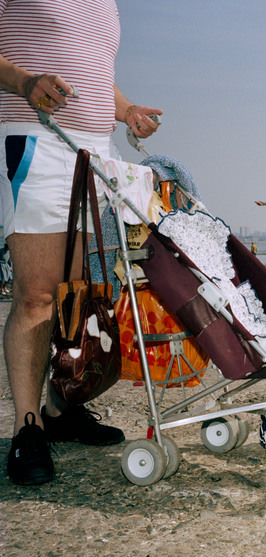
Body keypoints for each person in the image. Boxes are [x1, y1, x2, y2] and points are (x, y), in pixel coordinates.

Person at [0, 0, 162, 486]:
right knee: (37, 293)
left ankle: (57, 408)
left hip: (95, 150)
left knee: (76, 294)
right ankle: (27, 429)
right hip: (37, 136)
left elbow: (91, 72)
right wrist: (26, 83)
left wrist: (125, 109)